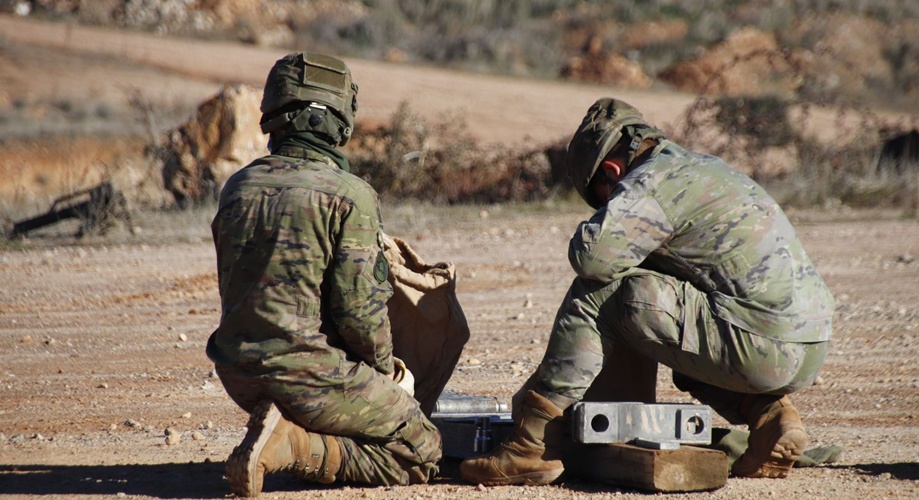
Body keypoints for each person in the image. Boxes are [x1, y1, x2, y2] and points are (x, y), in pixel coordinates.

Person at [461, 97, 834, 485]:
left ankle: (530, 448)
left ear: (611, 169)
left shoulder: (650, 182)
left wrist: (602, 222)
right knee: (672, 329)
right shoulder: (701, 167)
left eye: (602, 198)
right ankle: (771, 417)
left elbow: (592, 259)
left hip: (759, 344)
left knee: (598, 291)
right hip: (806, 344)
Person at [208, 52, 441, 497]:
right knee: (421, 448)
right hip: (307, 375)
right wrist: (383, 377)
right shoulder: (349, 195)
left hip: (237, 372)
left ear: (273, 116)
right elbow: (360, 316)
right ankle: (292, 446)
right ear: (337, 121)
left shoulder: (237, 187)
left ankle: (283, 431)